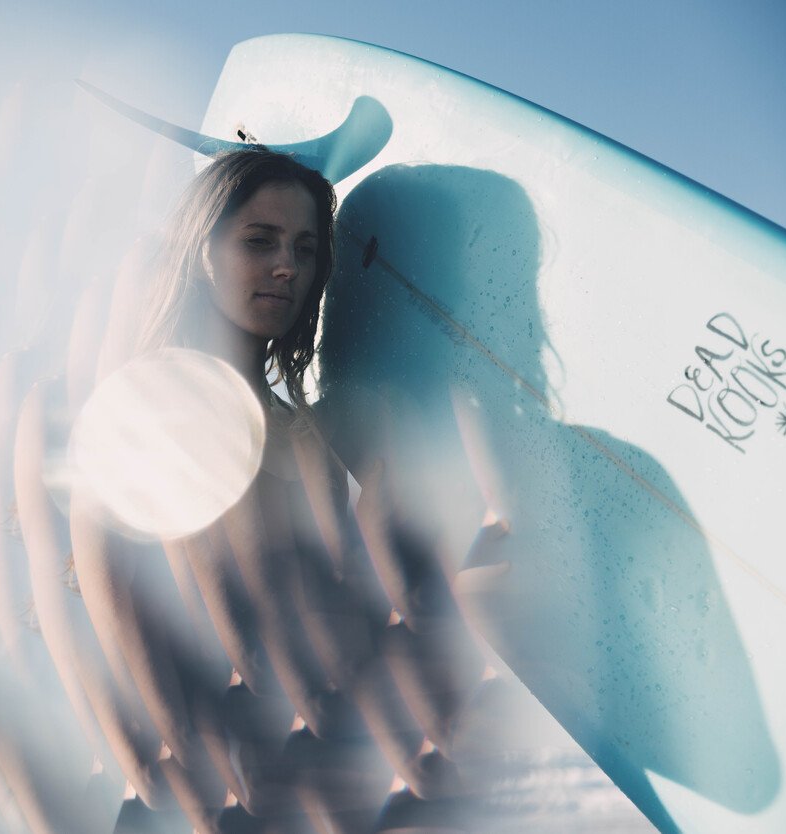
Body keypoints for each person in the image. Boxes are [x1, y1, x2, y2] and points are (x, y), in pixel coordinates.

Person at [61, 147, 498, 832]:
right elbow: (108, 606)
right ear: (201, 255)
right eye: (259, 241)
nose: (287, 266)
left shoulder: (305, 437)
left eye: (304, 248)